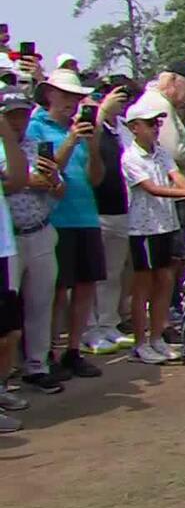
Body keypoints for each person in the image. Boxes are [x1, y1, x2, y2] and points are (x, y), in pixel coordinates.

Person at [30, 68, 107, 380]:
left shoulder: (81, 130)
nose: (71, 103)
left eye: (76, 97)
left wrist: (90, 145)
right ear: (49, 94)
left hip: (86, 215)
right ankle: (48, 351)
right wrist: (71, 140)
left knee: (86, 286)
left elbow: (96, 178)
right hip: (57, 217)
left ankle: (74, 350)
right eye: (65, 96)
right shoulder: (37, 127)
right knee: (57, 291)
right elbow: (48, 171)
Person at [121, 101, 185, 364]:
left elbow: (176, 175)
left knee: (166, 282)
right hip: (144, 229)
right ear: (134, 127)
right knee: (143, 287)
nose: (155, 128)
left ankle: (156, 338)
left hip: (167, 225)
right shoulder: (130, 157)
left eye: (157, 123)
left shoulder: (160, 152)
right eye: (150, 124)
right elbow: (151, 188)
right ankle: (140, 344)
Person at [3, 74, 64, 393]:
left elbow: (58, 190)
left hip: (40, 230)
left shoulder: (37, 146)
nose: (17, 122)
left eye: (22, 115)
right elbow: (10, 181)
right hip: (8, 238)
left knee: (41, 303)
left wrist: (54, 181)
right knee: (9, 308)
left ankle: (37, 365)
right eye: (11, 116)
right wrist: (29, 179)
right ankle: (8, 371)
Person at [84, 80, 137, 354]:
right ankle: (90, 329)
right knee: (93, 275)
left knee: (113, 274)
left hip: (122, 209)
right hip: (97, 210)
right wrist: (102, 112)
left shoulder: (123, 129)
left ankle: (108, 325)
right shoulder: (91, 125)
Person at [0, 87, 36, 429]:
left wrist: (4, 134)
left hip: (3, 247)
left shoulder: (3, 143)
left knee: (9, 331)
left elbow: (18, 179)